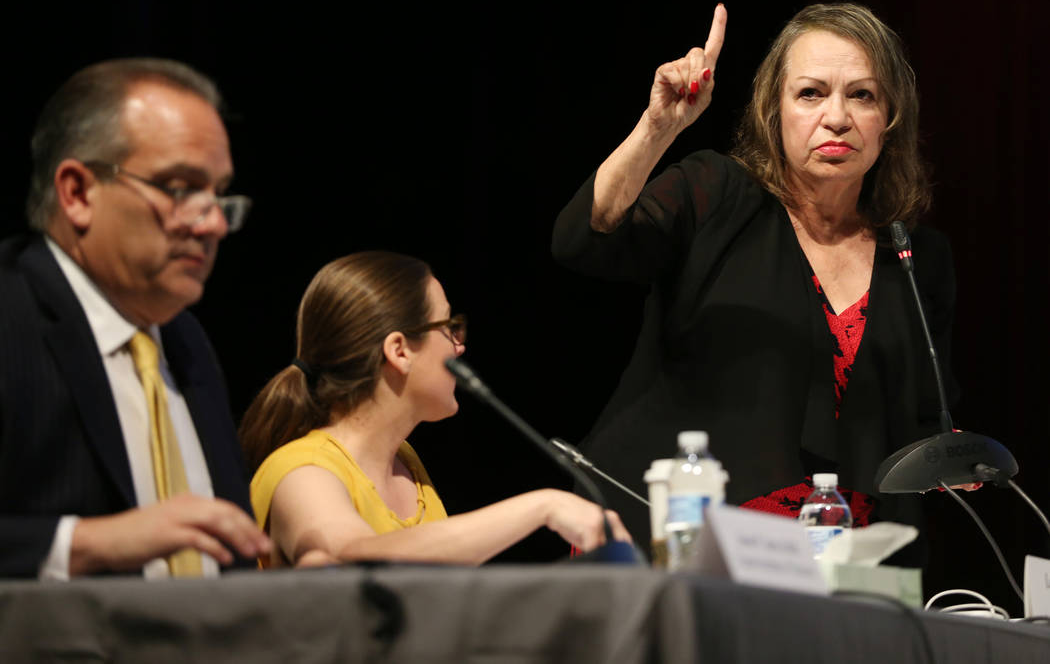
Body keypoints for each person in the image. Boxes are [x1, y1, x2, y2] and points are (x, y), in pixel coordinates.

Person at [551, 3, 958, 556]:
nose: (836, 117)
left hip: (836, 557)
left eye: (861, 95)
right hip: (676, 539)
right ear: (775, 111)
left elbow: (924, 418)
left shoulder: (915, 257)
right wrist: (658, 128)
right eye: (811, 93)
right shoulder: (717, 193)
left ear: (889, 118)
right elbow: (586, 239)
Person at [0, 59, 270, 579]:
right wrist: (81, 545)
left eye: (218, 194)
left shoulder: (186, 339)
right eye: (180, 188)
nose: (213, 222)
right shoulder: (10, 316)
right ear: (78, 193)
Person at [241, 251, 630, 567]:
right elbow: (350, 560)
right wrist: (545, 506)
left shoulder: (406, 464)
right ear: (399, 350)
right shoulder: (302, 472)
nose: (458, 346)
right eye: (448, 327)